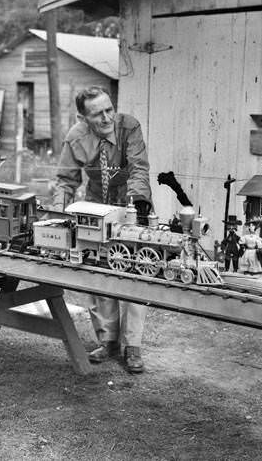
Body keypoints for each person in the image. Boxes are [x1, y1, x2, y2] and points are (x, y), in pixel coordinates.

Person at [52, 86, 152, 374]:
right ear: (83, 117)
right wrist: (58, 213)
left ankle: (132, 346)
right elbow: (65, 181)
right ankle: (108, 342)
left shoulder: (129, 126)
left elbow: (138, 168)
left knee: (135, 273)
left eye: (110, 109)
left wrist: (137, 205)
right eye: (98, 114)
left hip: (133, 204)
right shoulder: (75, 138)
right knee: (99, 273)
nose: (108, 117)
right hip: (96, 207)